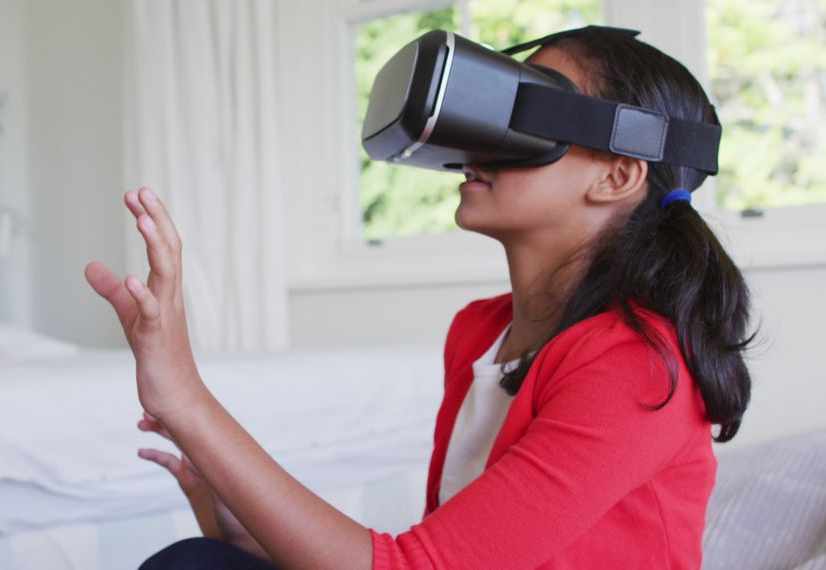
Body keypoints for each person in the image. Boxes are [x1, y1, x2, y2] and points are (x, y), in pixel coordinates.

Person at [84, 26, 753, 570]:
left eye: (528, 112)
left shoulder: (638, 364)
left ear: (617, 175)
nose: (479, 143)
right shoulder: (480, 332)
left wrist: (185, 397)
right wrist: (239, 521)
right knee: (203, 561)